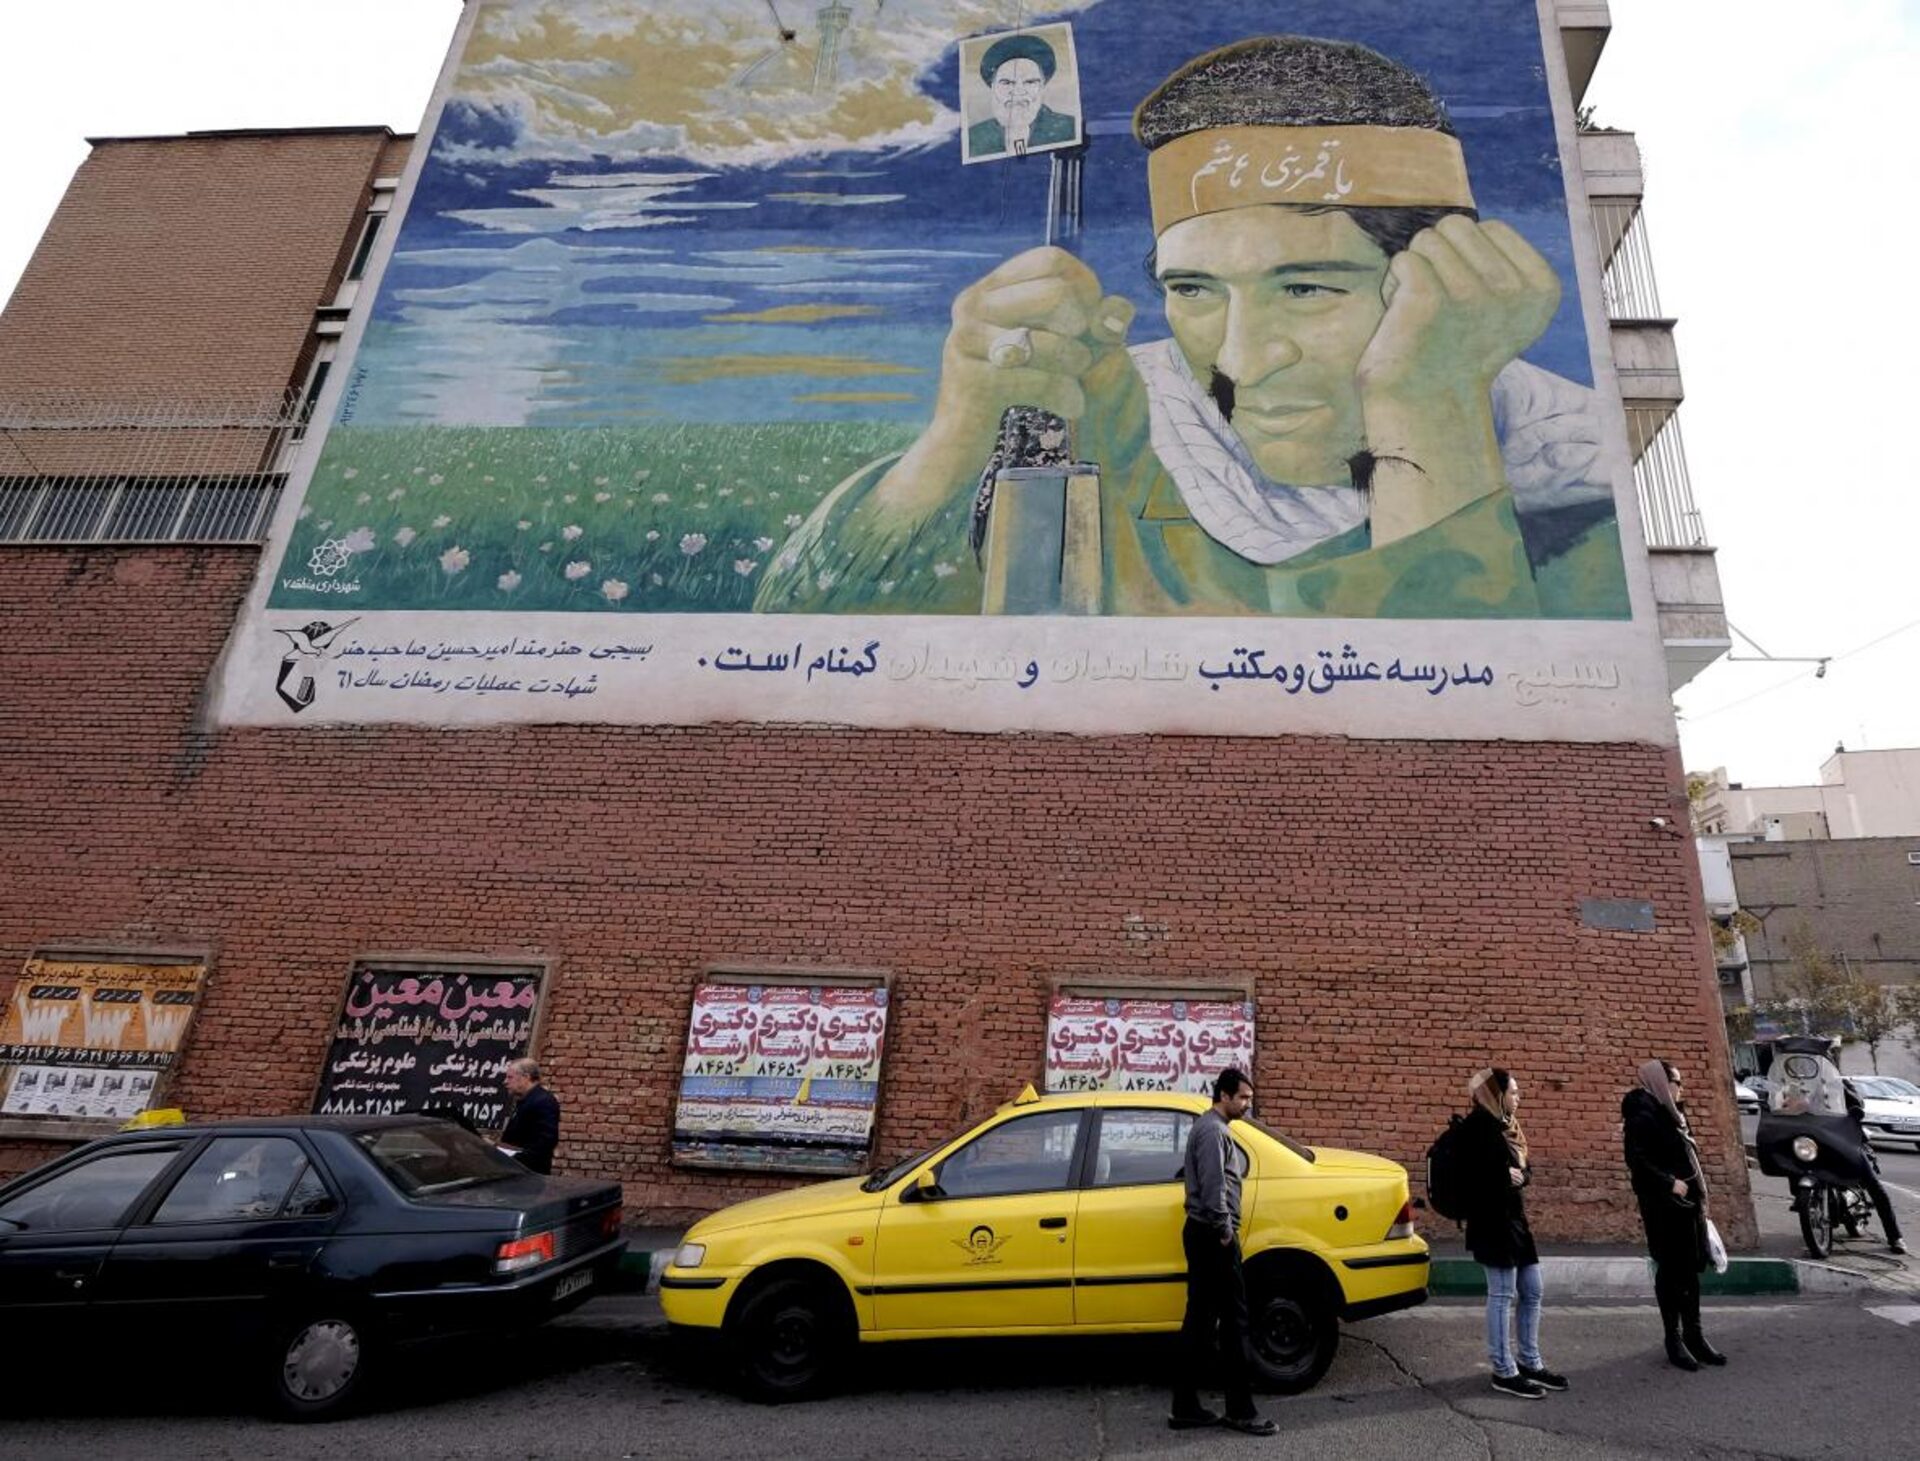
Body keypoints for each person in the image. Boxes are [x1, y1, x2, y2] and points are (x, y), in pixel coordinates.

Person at [758, 34, 1625, 619]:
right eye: (1197, 291)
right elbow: (804, 638)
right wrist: (953, 438)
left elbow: (1464, 755)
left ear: (1452, 283)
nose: (1242, 363)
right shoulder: (1128, 413)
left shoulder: (1579, 495)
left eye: (1307, 290)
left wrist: (1430, 416)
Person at [1169, 1067, 1277, 1437]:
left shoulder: (1207, 1127)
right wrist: (1226, 1233)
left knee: (1199, 1321)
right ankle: (1241, 1412)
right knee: (1235, 1323)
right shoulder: (1214, 1131)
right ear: (1225, 1096)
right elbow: (1215, 1187)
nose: (1247, 1104)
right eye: (1243, 1098)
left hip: (1202, 1233)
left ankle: (1184, 1407)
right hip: (1214, 1236)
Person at [1461, 1068, 1566, 1399]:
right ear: (1497, 1095)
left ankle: (1529, 1362)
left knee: (1533, 1290)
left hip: (1516, 1222)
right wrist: (1502, 1177)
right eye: (1514, 1092)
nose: (1519, 1098)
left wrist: (1521, 1177)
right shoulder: (1477, 1128)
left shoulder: (1509, 1127)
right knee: (1502, 1294)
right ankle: (1503, 1370)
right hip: (1492, 1223)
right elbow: (1474, 1179)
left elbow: (1524, 1169)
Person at [1621, 1059, 1724, 1371]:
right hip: (1663, 1206)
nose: (1681, 1088)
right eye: (1676, 1082)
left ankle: (1695, 1335)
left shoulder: (1673, 1113)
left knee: (1691, 1270)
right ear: (1662, 1084)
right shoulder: (1642, 1115)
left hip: (1688, 1203)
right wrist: (1670, 1182)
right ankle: (1674, 1339)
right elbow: (1636, 1160)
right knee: (1670, 1270)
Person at [967, 33, 1078, 160]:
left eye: (1030, 82)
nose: (1018, 92)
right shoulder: (973, 137)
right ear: (993, 87)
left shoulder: (1070, 129)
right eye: (1007, 83)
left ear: (1042, 86)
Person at [1843, 1081, 1909, 1255]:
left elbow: (1858, 1103)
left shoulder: (1840, 1083)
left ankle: (1895, 1237)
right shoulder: (1803, 1088)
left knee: (1874, 1185)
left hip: (1847, 1141)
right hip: (1816, 1143)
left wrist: (1845, 1093)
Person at [500, 1057, 560, 1175]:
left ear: (526, 1077)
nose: (505, 1082)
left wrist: (514, 1159)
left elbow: (544, 1144)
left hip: (529, 1176)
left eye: (510, 1077)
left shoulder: (543, 1101)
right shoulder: (526, 1100)